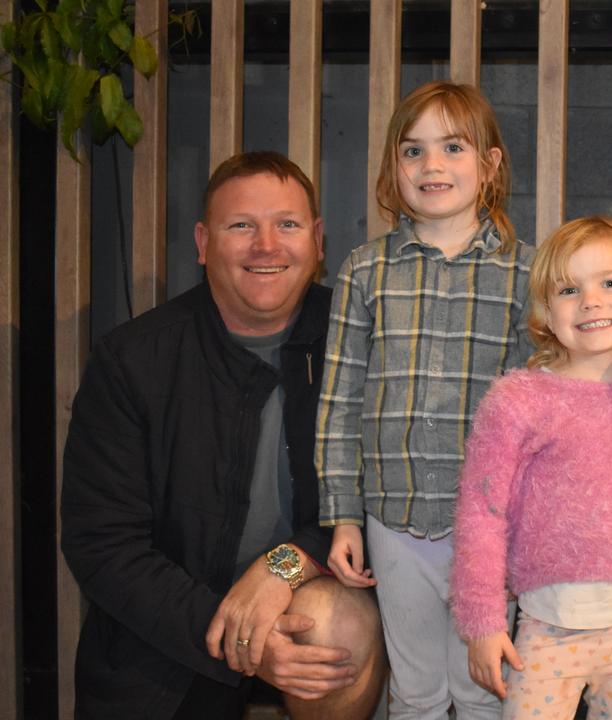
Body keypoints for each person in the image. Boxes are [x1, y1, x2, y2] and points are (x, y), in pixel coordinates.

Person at [60, 151, 386, 719]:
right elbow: (102, 543)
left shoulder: (364, 343)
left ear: (316, 240)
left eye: (286, 224)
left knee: (341, 628)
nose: (266, 246)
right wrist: (242, 639)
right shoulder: (134, 359)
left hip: (310, 601)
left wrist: (286, 564)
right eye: (242, 226)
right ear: (204, 242)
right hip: (171, 631)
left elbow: (392, 495)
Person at [316, 80, 533, 718]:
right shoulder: (365, 270)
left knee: (483, 686)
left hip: (490, 526)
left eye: (453, 147)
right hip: (392, 515)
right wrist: (344, 515)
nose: (431, 165)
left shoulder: (528, 272)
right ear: (393, 167)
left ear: (490, 165)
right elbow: (338, 400)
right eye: (413, 151)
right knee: (414, 688)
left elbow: (539, 408)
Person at [450, 216, 612, 717]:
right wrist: (482, 622)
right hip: (545, 627)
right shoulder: (518, 400)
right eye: (569, 289)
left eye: (610, 283)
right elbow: (481, 514)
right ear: (546, 311)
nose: (591, 301)